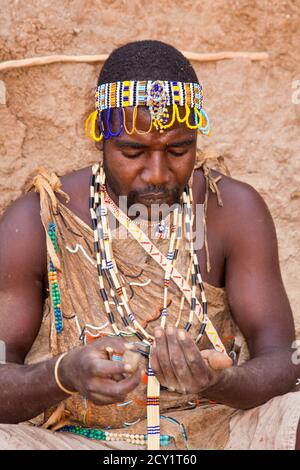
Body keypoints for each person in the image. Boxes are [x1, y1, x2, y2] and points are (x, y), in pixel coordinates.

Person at [0, 40, 299, 450]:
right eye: (132, 150)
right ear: (99, 137)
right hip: (84, 444)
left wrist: (221, 380)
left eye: (178, 149)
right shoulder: (38, 220)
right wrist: (62, 375)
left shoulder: (232, 210)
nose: (157, 174)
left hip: (218, 431)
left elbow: (283, 357)